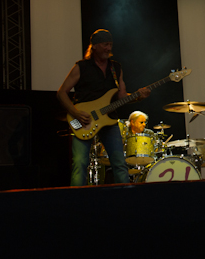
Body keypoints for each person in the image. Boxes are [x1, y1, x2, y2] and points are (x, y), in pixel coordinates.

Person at [57, 29, 151, 186]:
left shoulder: (115, 68)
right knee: (79, 163)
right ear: (94, 46)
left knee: (120, 164)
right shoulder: (81, 67)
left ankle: (125, 198)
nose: (109, 48)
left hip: (110, 120)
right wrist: (76, 113)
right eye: (105, 44)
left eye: (110, 45)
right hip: (82, 120)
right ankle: (75, 199)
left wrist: (138, 96)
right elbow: (61, 93)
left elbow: (121, 96)